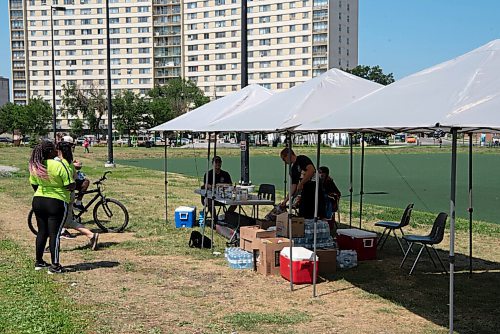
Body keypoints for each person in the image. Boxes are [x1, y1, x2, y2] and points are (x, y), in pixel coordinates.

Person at [29, 140, 74, 274]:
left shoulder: (35, 165)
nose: (56, 151)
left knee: (42, 231)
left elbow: (34, 184)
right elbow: (70, 184)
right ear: (49, 152)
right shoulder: (59, 165)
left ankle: (39, 262)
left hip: (38, 200)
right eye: (54, 149)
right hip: (57, 202)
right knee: (54, 234)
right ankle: (55, 266)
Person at [56, 141, 99, 250]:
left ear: (59, 150)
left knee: (55, 220)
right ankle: (91, 235)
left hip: (61, 195)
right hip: (70, 194)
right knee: (67, 221)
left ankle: (52, 246)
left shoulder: (58, 162)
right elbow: (75, 177)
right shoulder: (69, 162)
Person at [279, 148, 325, 219]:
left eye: (284, 159)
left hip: (315, 190)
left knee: (316, 213)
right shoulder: (293, 169)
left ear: (288, 155)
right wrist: (286, 200)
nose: (284, 162)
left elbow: (311, 170)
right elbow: (293, 186)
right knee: (304, 213)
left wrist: (301, 183)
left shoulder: (302, 159)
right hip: (305, 193)